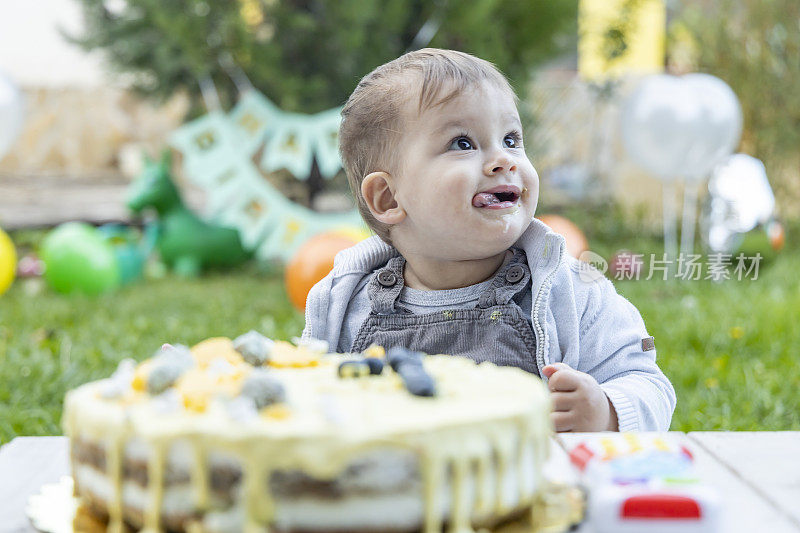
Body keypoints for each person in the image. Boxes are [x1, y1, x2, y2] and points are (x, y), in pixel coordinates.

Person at [302, 48, 675, 432]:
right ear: (389, 198)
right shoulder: (344, 308)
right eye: (463, 143)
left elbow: (649, 385)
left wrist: (606, 411)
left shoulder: (573, 293)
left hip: (531, 485)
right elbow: (305, 400)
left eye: (511, 139)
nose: (504, 160)